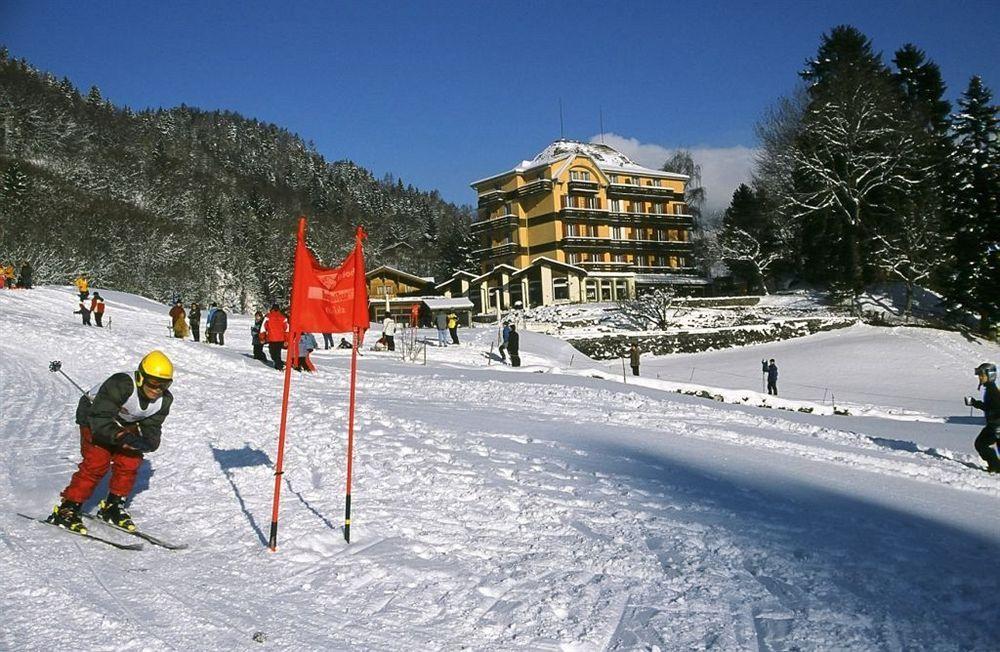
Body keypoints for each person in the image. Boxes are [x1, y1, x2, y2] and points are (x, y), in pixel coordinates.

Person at [48, 351, 175, 533]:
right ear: (140, 378)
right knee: (97, 462)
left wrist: (148, 442)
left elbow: (152, 427)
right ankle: (67, 508)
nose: (157, 390)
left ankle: (113, 506)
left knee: (130, 462)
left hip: (124, 422)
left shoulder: (164, 400)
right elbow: (99, 419)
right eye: (153, 383)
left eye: (164, 385)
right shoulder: (121, 384)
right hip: (93, 415)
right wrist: (119, 437)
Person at [964, 362, 1000, 473]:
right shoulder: (990, 389)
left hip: (995, 425)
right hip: (994, 424)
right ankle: (996, 467)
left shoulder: (993, 391)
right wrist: (975, 403)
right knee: (982, 444)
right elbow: (990, 407)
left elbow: (995, 408)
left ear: (990, 375)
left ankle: (996, 467)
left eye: (982, 375)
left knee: (981, 444)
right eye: (979, 375)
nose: (979, 377)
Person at [261, 304, 288, 371]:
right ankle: (279, 363)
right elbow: (287, 329)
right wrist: (287, 340)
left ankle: (279, 365)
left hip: (272, 338)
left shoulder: (268, 317)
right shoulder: (283, 317)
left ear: (272, 309)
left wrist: (262, 338)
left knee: (273, 353)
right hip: (281, 338)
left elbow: (263, 328)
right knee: (277, 352)